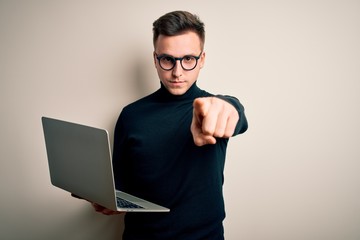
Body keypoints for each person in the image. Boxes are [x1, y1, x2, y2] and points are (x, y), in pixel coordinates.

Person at [91, 10, 248, 239]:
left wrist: (230, 107)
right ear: (155, 59)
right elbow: (121, 186)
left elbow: (234, 113)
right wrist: (110, 200)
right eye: (167, 59)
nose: (177, 72)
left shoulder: (210, 109)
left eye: (188, 59)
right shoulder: (130, 115)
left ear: (201, 59)